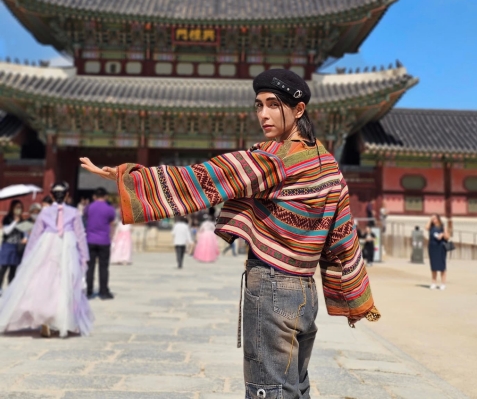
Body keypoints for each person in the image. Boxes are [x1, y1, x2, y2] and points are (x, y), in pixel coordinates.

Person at [81, 68, 380, 398]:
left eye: (273, 104)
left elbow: (201, 179)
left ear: (298, 110)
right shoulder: (327, 164)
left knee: (269, 391)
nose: (263, 114)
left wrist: (127, 179)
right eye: (258, 105)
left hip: (271, 286)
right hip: (305, 292)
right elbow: (343, 236)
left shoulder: (274, 159)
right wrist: (354, 294)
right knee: (295, 389)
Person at [0, 182, 93, 338]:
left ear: (51, 196)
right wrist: (85, 256)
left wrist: (27, 258)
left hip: (46, 247)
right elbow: (80, 236)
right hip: (67, 247)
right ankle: (58, 319)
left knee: (43, 281)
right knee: (63, 284)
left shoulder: (44, 213)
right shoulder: (74, 212)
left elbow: (35, 235)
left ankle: (44, 318)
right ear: (67, 195)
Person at [85, 187, 116, 299]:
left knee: (90, 267)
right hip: (104, 240)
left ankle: (88, 291)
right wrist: (111, 237)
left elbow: (86, 218)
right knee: (103, 267)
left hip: (90, 240)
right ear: (106, 196)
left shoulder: (89, 207)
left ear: (94, 196)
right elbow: (112, 223)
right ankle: (104, 291)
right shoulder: (109, 209)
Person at [0, 200, 26, 292]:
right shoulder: (7, 218)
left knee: (13, 269)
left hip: (17, 247)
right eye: (16, 207)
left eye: (20, 207)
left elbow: (24, 233)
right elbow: (6, 231)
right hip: (7, 245)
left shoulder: (22, 220)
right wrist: (15, 222)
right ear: (12, 208)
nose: (18, 209)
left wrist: (25, 238)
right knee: (3, 268)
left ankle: (11, 288)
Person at [426, 214, 450, 289]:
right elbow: (426, 227)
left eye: (435, 218)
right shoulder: (431, 227)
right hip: (432, 247)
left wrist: (442, 234)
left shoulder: (443, 226)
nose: (434, 220)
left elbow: (447, 237)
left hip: (441, 247)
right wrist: (430, 219)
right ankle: (433, 282)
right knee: (433, 266)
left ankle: (443, 283)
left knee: (442, 266)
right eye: (433, 219)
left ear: (438, 219)